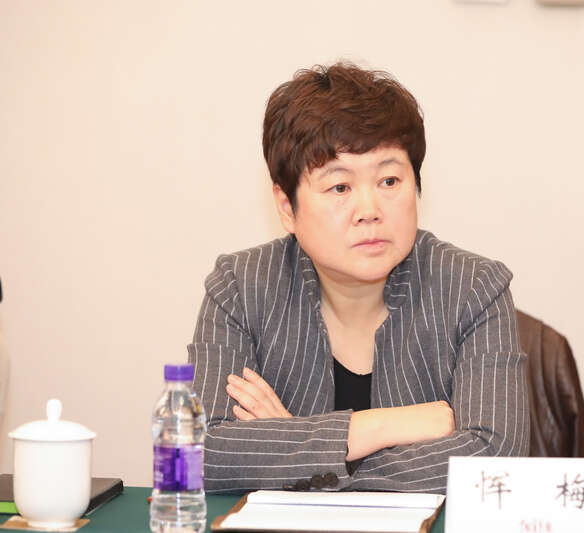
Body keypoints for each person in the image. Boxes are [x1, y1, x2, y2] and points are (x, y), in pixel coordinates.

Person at [188, 62, 530, 494]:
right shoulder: (241, 287)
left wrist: (295, 450)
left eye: (389, 180)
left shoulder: (473, 287)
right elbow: (196, 456)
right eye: (340, 187)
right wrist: (382, 427)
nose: (369, 210)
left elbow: (495, 457)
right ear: (287, 207)